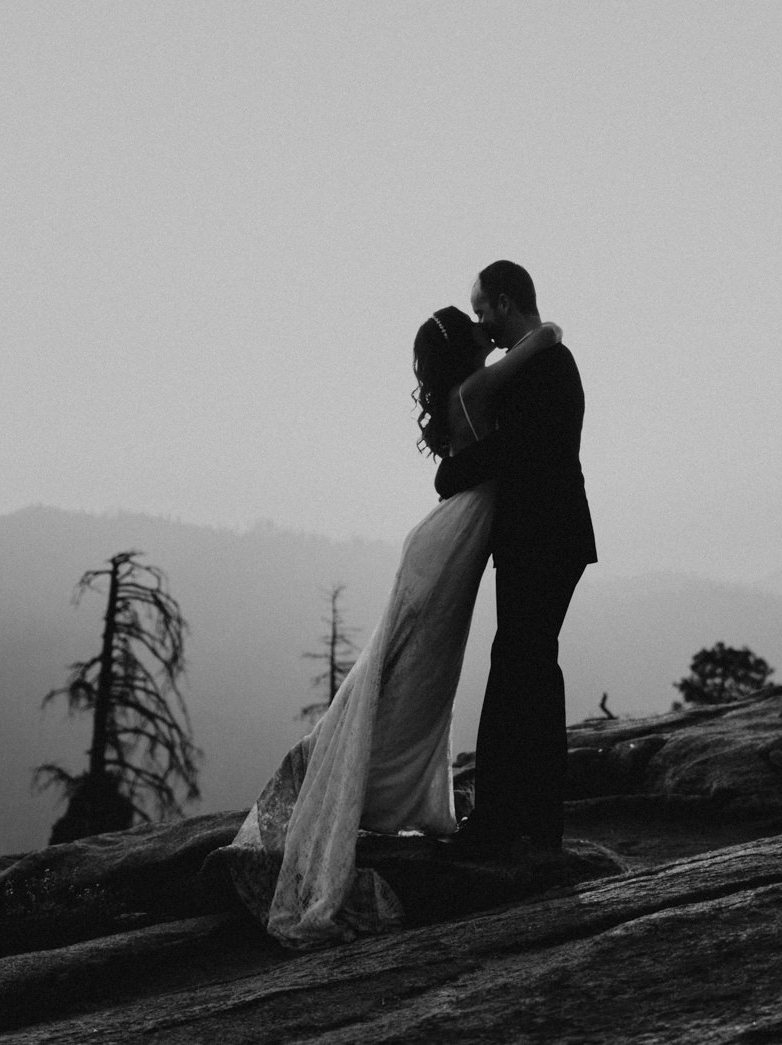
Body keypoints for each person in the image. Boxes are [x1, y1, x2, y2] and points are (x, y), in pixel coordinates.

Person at [219, 303, 564, 948]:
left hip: (447, 549)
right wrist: (504, 329)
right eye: (476, 333)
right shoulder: (475, 389)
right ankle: (352, 787)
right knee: (405, 676)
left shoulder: (468, 389)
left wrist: (481, 333)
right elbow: (547, 337)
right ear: (466, 351)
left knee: (414, 683)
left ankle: (373, 787)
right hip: (443, 554)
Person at [435, 260, 597, 851]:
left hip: (545, 536)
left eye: (483, 310)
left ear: (504, 302)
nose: (483, 324)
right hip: (546, 536)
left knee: (519, 669)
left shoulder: (546, 364)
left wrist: (453, 474)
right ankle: (530, 817)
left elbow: (517, 448)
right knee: (526, 668)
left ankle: (509, 819)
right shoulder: (541, 358)